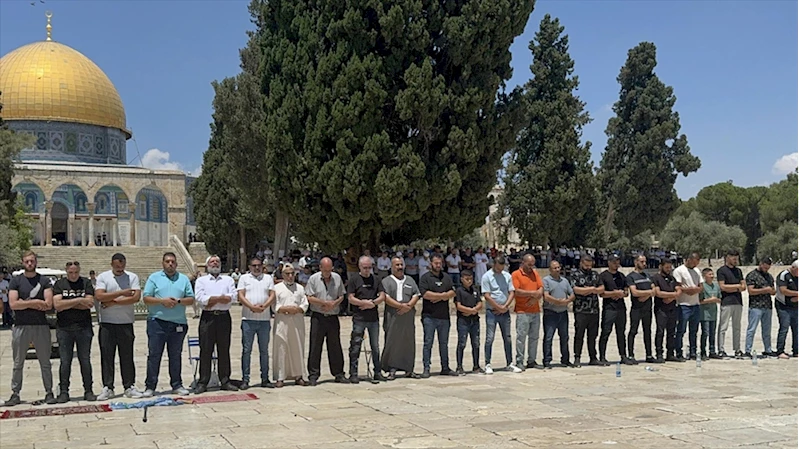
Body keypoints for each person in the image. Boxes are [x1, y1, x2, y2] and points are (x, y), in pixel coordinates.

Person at [6, 251, 56, 406]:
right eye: (27, 261)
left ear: (36, 262)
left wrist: (24, 303)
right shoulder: (16, 281)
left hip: (41, 325)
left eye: (32, 261)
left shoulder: (44, 280)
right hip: (21, 325)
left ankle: (49, 392)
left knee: (45, 362)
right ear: (23, 262)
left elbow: (48, 304)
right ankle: (15, 393)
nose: (29, 264)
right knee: (18, 362)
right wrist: (35, 303)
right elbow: (13, 304)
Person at [142, 252, 195, 396]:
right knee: (154, 355)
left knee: (175, 355)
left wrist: (178, 301)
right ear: (163, 263)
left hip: (178, 323)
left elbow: (191, 299)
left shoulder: (183, 279)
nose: (170, 264)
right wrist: (162, 301)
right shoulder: (154, 278)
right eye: (167, 261)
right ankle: (150, 386)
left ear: (176, 264)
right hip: (157, 323)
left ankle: (177, 384)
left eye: (172, 261)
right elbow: (146, 298)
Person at [94, 253, 143, 400]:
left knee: (127, 356)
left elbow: (135, 297)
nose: (120, 269)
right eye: (117, 267)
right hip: (107, 323)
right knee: (107, 356)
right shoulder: (103, 277)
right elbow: (100, 296)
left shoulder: (132, 277)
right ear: (112, 265)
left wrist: (112, 301)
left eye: (122, 266)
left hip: (125, 322)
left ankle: (129, 386)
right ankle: (108, 387)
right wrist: (122, 293)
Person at [52, 261, 96, 402]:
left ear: (79, 271)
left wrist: (68, 303)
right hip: (64, 328)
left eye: (76, 272)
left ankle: (88, 390)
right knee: (65, 361)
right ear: (66, 272)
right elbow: (57, 305)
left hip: (83, 327)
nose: (73, 275)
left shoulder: (86, 283)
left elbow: (89, 303)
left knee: (85, 360)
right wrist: (78, 300)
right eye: (71, 272)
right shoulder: (59, 284)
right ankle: (64, 391)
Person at [194, 256, 238, 394]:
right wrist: (221, 298)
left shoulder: (228, 280)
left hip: (223, 317)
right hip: (208, 318)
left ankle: (225, 380)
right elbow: (200, 298)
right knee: (205, 350)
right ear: (207, 265)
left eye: (217, 261)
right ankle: (203, 382)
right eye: (212, 261)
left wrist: (211, 300)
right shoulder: (201, 280)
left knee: (224, 349)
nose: (215, 263)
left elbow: (233, 297)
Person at [305, 257, 348, 385]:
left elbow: (341, 295)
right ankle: (313, 375)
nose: (328, 273)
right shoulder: (313, 279)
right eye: (325, 270)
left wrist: (334, 303)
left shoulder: (337, 278)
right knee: (315, 346)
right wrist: (323, 303)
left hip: (333, 316)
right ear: (320, 268)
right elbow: (309, 297)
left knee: (335, 346)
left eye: (330, 270)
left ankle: (338, 373)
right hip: (318, 316)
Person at [237, 257, 276, 390]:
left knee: (264, 350)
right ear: (249, 267)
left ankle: (265, 378)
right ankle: (245, 379)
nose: (257, 268)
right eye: (254, 265)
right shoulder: (244, 278)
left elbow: (272, 295)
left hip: (264, 320)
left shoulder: (268, 278)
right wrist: (251, 307)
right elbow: (241, 295)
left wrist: (264, 306)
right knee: (246, 350)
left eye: (259, 265)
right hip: (248, 319)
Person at [347, 256, 386, 383]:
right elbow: (350, 297)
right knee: (355, 346)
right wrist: (363, 303)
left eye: (369, 267)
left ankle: (377, 372)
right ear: (359, 267)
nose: (367, 270)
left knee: (375, 346)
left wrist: (372, 303)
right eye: (365, 267)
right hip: (359, 318)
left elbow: (382, 295)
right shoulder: (354, 279)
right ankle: (353, 373)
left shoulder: (376, 279)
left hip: (373, 318)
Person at [381, 256, 421, 379]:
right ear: (391, 267)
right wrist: (400, 306)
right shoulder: (386, 281)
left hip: (408, 316)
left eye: (401, 264)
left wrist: (408, 306)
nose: (400, 267)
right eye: (397, 265)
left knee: (408, 341)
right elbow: (385, 297)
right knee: (392, 341)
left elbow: (416, 294)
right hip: (393, 315)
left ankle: (408, 368)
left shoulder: (409, 280)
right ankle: (391, 368)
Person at [419, 254, 458, 377]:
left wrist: (438, 297)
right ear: (430, 264)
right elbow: (425, 294)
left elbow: (453, 291)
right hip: (429, 316)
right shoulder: (425, 278)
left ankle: (445, 367)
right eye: (436, 263)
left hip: (444, 316)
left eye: (440, 263)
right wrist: (443, 296)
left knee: (444, 343)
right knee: (428, 342)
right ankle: (426, 368)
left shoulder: (446, 277)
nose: (438, 265)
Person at [272, 265, 309, 387]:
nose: (290, 276)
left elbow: (304, 303)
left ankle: (298, 375)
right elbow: (275, 305)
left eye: (292, 273)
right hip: (282, 321)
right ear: (283, 275)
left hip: (297, 321)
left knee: (297, 347)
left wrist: (297, 309)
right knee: (281, 347)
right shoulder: (277, 288)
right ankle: (280, 376)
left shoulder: (300, 288)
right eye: (287, 274)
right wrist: (286, 309)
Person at [481, 256, 520, 374]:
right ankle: (487, 364)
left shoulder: (507, 276)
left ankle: (509, 363)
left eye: (502, 268)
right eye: (498, 268)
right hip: (492, 312)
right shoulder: (486, 276)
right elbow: (487, 295)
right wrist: (498, 307)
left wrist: (505, 307)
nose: (500, 270)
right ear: (494, 265)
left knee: (507, 337)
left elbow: (511, 292)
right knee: (490, 338)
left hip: (505, 311)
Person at [598, 255, 632, 365]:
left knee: (621, 333)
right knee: (606, 332)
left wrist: (622, 294)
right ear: (609, 262)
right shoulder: (603, 276)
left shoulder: (621, 276)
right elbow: (601, 293)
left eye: (617, 262)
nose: (616, 264)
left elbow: (626, 292)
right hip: (609, 308)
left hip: (621, 308)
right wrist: (613, 293)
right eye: (614, 262)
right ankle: (602, 356)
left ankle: (623, 355)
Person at [570, 254, 603, 367]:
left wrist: (589, 290)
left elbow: (601, 288)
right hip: (581, 310)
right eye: (586, 265)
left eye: (590, 265)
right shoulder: (575, 274)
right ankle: (577, 357)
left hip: (594, 310)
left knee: (593, 335)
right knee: (579, 335)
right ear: (581, 263)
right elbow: (576, 289)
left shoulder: (595, 274)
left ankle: (593, 357)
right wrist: (592, 289)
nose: (588, 268)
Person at [512, 254, 544, 370]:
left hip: (535, 310)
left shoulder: (535, 273)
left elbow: (540, 288)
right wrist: (532, 293)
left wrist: (536, 298)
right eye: (529, 264)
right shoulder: (516, 274)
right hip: (522, 311)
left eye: (533, 264)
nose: (531, 266)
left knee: (534, 337)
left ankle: (532, 360)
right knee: (521, 337)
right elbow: (516, 291)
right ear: (523, 262)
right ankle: (519, 360)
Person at [542, 261, 575, 368]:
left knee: (564, 337)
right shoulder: (546, 280)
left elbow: (572, 294)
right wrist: (558, 301)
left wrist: (567, 301)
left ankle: (565, 359)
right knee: (548, 337)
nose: (557, 269)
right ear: (550, 269)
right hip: (550, 313)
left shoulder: (564, 281)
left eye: (558, 267)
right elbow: (546, 296)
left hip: (563, 313)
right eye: (555, 268)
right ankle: (547, 360)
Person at [672, 252, 703, 361]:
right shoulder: (679, 271)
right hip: (683, 304)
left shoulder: (697, 271)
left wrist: (695, 290)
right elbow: (677, 286)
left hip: (695, 304)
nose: (695, 265)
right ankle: (678, 352)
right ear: (688, 260)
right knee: (681, 330)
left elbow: (701, 286)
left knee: (694, 330)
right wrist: (689, 290)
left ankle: (693, 351)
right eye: (694, 262)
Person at [744, 257, 776, 358]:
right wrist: (764, 290)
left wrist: (771, 291)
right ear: (761, 264)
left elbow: (773, 291)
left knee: (767, 330)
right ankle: (748, 350)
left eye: (768, 268)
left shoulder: (769, 276)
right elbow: (751, 291)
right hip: (756, 306)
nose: (766, 269)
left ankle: (768, 349)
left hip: (767, 305)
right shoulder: (752, 275)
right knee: (752, 329)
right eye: (765, 267)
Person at [717, 249, 746, 359]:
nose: (735, 260)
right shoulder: (721, 271)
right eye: (733, 258)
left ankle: (737, 349)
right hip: (726, 302)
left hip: (738, 301)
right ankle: (721, 349)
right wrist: (737, 287)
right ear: (728, 257)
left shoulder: (738, 271)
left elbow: (744, 286)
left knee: (737, 327)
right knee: (723, 327)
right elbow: (723, 287)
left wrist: (734, 288)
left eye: (736, 258)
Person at [652, 258, 682, 363]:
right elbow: (658, 293)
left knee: (671, 332)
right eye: (666, 267)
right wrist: (673, 295)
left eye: (670, 267)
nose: (669, 269)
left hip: (672, 308)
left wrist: (671, 297)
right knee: (660, 331)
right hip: (661, 309)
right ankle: (659, 354)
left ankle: (670, 354)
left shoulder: (672, 278)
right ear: (661, 267)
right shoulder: (656, 278)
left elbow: (679, 291)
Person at [627, 255, 655, 363]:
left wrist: (646, 295)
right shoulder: (631, 277)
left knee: (647, 331)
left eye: (645, 261)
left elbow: (654, 290)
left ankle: (649, 355)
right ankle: (630, 355)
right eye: (642, 261)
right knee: (633, 331)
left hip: (647, 308)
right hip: (636, 309)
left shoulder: (647, 275)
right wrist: (649, 293)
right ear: (636, 262)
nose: (644, 264)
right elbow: (634, 292)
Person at [454, 270, 483, 375]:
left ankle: (476, 366)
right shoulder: (459, 291)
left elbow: (480, 303)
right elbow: (458, 306)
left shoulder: (475, 290)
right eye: (467, 279)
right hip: (463, 321)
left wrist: (474, 310)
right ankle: (459, 366)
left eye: (471, 279)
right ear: (462, 279)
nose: (469, 281)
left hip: (474, 320)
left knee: (476, 343)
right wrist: (470, 310)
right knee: (462, 343)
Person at [775, 260, 799, 359]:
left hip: (796, 306)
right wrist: (797, 294)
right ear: (793, 268)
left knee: (797, 329)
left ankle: (796, 350)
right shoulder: (784, 275)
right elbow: (783, 290)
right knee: (784, 328)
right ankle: (780, 351)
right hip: (783, 305)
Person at [699, 268, 722, 360]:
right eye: (709, 274)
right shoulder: (703, 286)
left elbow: (720, 299)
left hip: (713, 314)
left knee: (713, 333)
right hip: (704, 314)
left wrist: (716, 300)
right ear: (704, 276)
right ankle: (703, 352)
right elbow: (700, 301)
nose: (712, 276)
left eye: (712, 274)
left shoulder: (716, 286)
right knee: (705, 333)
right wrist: (710, 300)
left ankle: (712, 351)